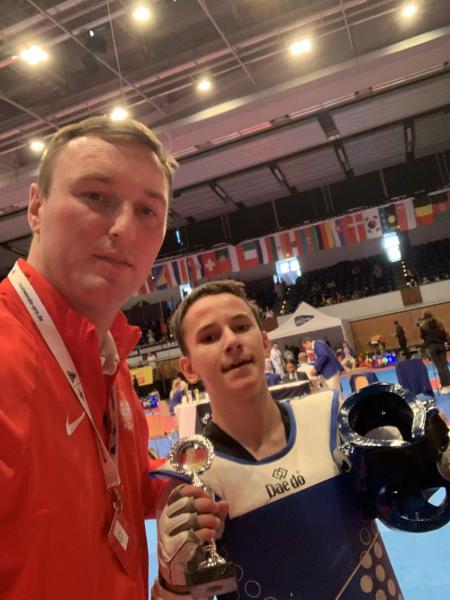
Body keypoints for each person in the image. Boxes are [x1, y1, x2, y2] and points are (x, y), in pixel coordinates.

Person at [0, 116, 223, 600]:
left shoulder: (106, 359)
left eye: (147, 210)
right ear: (36, 207)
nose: (124, 228)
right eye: (96, 197)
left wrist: (187, 487)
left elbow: (121, 485)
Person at [154, 280, 413, 599]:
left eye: (241, 327)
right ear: (189, 368)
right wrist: (172, 581)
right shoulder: (190, 482)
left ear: (265, 343)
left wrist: (418, 464)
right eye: (210, 337)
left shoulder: (330, 418)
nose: (232, 341)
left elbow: (406, 504)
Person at [303, 336, 343, 401]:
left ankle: (341, 406)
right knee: (334, 393)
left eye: (305, 346)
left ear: (307, 342)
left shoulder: (318, 344)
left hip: (331, 371)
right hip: (329, 372)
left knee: (336, 394)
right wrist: (317, 372)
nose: (306, 348)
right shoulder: (317, 346)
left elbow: (324, 356)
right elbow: (321, 359)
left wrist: (316, 368)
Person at [419, 311, 450, 393]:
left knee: (439, 367)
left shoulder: (423, 326)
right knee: (444, 366)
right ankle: (446, 383)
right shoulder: (439, 323)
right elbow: (444, 335)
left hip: (432, 347)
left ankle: (445, 386)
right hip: (441, 346)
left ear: (424, 317)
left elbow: (422, 337)